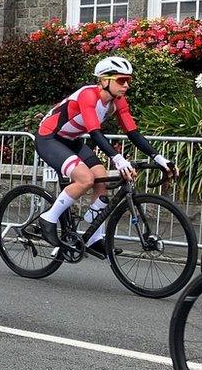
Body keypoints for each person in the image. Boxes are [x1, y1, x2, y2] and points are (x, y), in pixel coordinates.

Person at [33, 56, 175, 255]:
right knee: (85, 179)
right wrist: (118, 159)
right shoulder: (88, 96)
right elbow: (95, 132)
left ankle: (93, 236)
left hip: (72, 140)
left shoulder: (118, 102)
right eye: (121, 80)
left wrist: (160, 159)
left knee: (102, 178)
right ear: (103, 80)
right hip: (50, 139)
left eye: (128, 81)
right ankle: (48, 219)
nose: (126, 85)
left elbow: (133, 133)